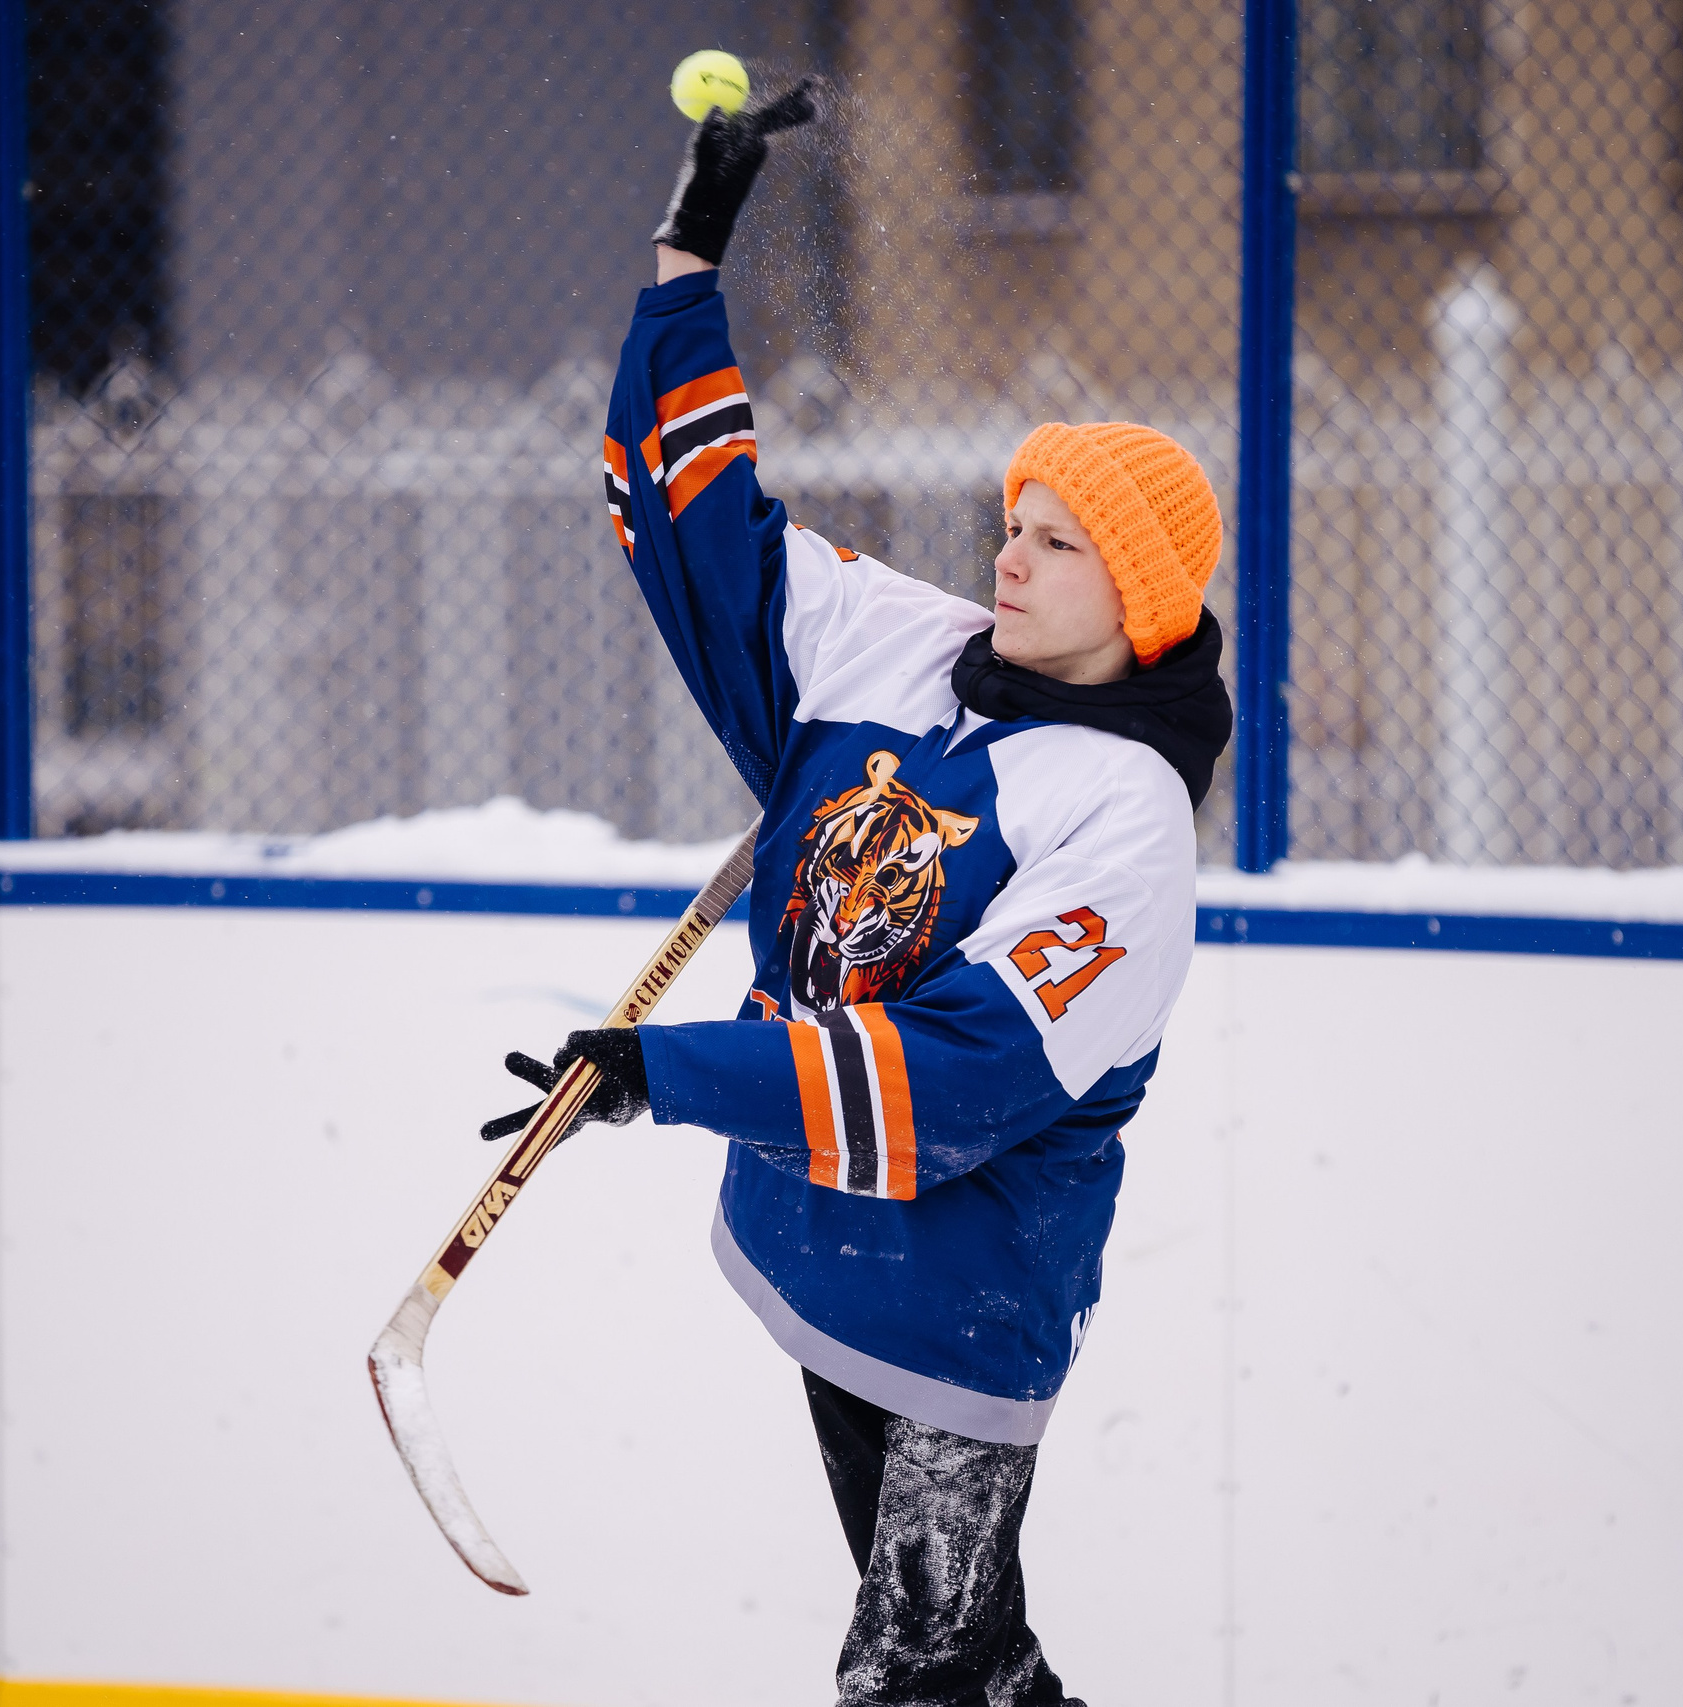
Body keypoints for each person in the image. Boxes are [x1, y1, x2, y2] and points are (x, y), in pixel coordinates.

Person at [483, 79, 1231, 1707]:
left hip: (966, 1303)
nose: (1013, 558)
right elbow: (700, 540)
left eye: (1062, 544)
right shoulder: (904, 648)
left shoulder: (1125, 821)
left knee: (913, 1685)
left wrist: (668, 1069)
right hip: (831, 1258)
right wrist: (690, 257)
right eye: (1012, 524)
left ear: (1147, 600)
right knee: (979, 1679)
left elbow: (955, 1075)